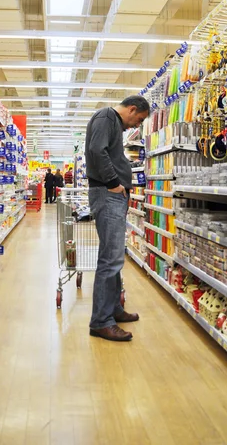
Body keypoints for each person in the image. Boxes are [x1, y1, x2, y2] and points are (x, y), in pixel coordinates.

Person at [85, 95, 150, 342]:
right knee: (110, 259)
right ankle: (101, 322)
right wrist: (114, 183)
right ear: (132, 108)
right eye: (139, 119)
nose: (136, 125)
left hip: (113, 195)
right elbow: (95, 150)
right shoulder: (105, 117)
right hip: (106, 192)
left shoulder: (112, 121)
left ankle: (113, 309)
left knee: (114, 256)